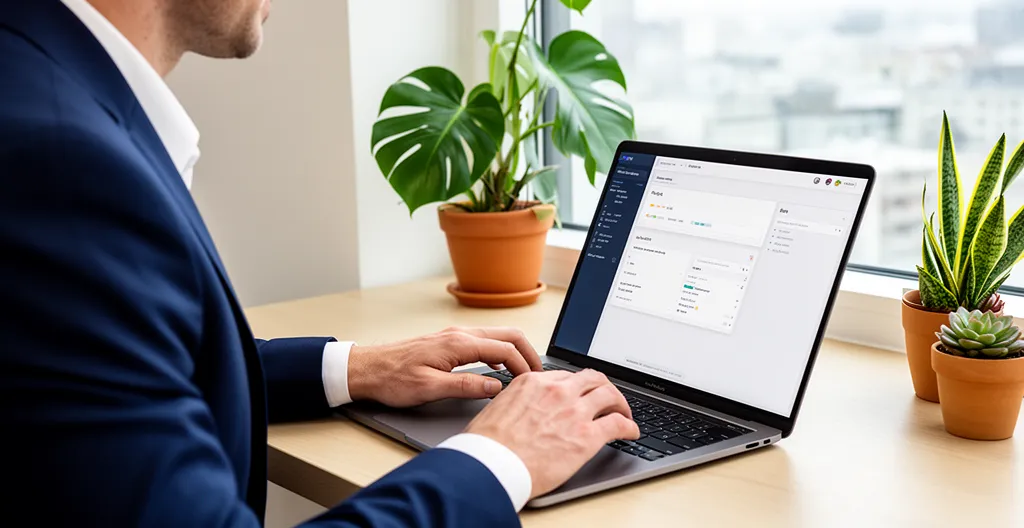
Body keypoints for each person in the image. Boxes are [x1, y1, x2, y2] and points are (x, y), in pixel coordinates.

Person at [0, 0, 640, 526]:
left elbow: (126, 365)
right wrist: (500, 457)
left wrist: (353, 368)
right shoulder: (58, 161)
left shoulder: (35, 83)